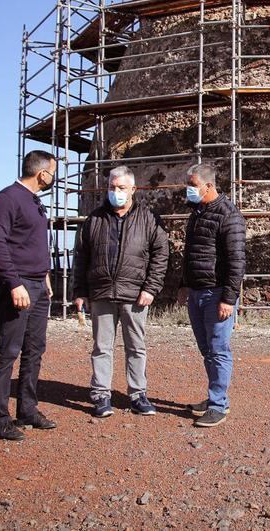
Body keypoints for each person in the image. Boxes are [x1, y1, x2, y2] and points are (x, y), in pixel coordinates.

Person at [72, 166, 169, 418]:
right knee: (102, 347)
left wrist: (151, 288)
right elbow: (81, 258)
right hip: (101, 293)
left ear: (133, 190)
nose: (116, 192)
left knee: (136, 347)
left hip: (135, 295)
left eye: (122, 188)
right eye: (112, 187)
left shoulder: (148, 219)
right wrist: (80, 291)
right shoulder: (94, 219)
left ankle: (138, 395)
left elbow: (161, 255)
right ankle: (101, 395)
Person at [0, 150, 57, 441]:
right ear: (42, 174)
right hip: (18, 286)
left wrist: (46, 276)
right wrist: (15, 284)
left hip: (39, 285)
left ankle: (27, 409)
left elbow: (34, 244)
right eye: (53, 171)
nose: (54, 177)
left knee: (34, 350)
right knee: (8, 352)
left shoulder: (34, 202)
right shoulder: (6, 199)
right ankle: (0, 419)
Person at [180, 162, 245, 428]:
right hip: (197, 292)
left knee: (218, 350)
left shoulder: (229, 215)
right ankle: (213, 397)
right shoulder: (197, 212)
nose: (189, 190)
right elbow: (190, 254)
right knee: (206, 349)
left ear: (208, 186)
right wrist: (184, 284)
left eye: (193, 185)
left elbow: (236, 261)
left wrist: (229, 299)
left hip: (217, 294)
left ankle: (218, 405)